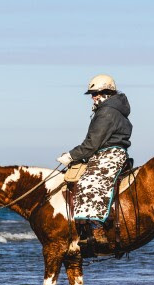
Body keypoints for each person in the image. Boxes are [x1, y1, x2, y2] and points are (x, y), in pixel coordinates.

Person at [56, 74, 132, 223]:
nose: (93, 97)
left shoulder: (106, 112)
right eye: (92, 94)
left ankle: (96, 227)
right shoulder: (111, 109)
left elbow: (92, 144)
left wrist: (71, 156)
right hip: (111, 153)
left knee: (87, 184)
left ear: (107, 93)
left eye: (96, 93)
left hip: (109, 155)